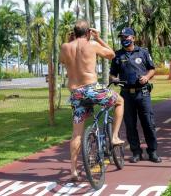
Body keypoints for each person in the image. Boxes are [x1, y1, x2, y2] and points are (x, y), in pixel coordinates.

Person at [59, 19, 125, 181]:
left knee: (76, 134)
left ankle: (74, 171)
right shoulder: (92, 44)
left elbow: (62, 60)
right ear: (88, 32)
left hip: (76, 93)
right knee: (120, 101)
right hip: (91, 89)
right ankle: (115, 136)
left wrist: (69, 42)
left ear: (74, 33)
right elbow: (112, 54)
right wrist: (98, 38)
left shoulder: (65, 47)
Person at [110, 27, 162, 163]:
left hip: (143, 93)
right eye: (122, 37)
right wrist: (113, 79)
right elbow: (112, 74)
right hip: (126, 95)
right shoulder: (118, 55)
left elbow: (152, 69)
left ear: (133, 38)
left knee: (148, 123)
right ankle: (136, 152)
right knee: (130, 124)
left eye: (126, 37)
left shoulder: (143, 52)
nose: (124, 39)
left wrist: (146, 77)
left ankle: (152, 152)